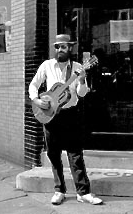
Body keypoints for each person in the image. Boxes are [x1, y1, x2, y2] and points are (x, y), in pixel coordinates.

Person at [29, 34, 103, 206]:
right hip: (51, 115)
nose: (59, 50)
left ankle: (83, 192)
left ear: (70, 48)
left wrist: (83, 80)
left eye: (63, 47)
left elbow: (82, 93)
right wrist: (37, 100)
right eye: (56, 46)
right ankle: (59, 190)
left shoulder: (77, 67)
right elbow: (33, 85)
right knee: (53, 154)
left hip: (71, 115)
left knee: (75, 154)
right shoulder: (47, 65)